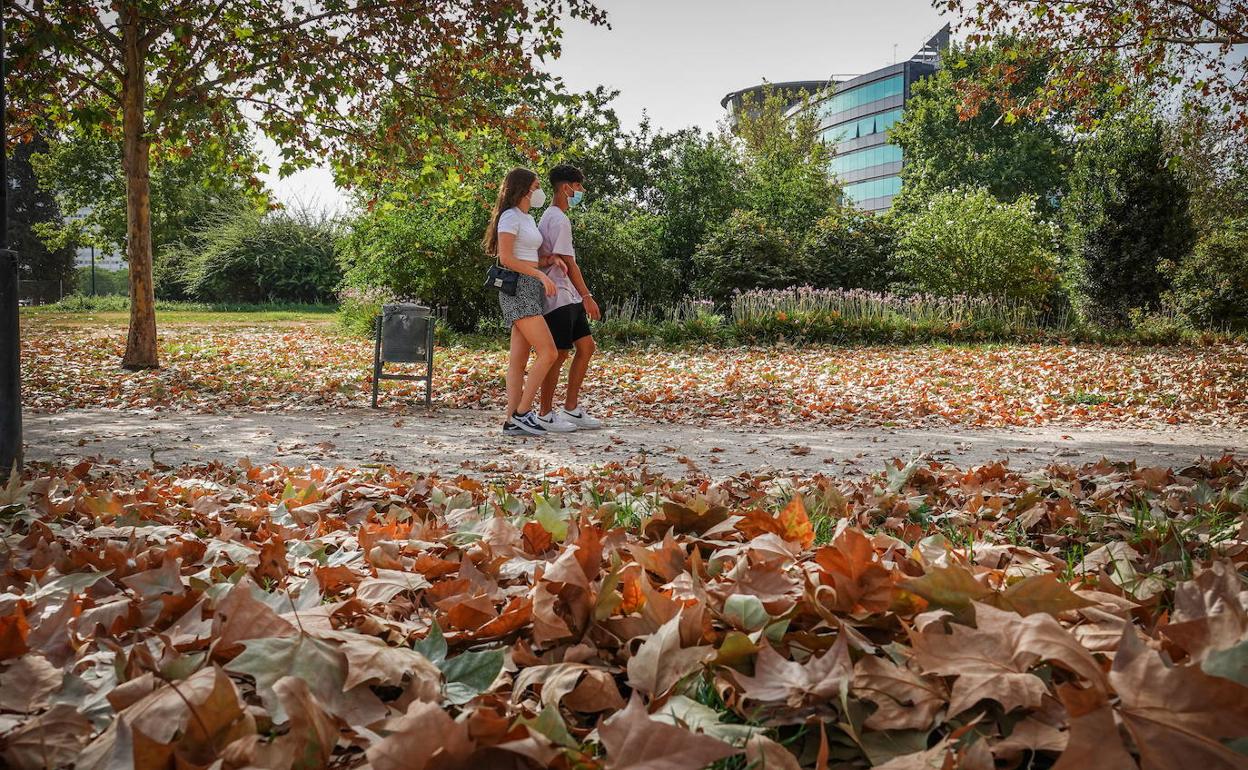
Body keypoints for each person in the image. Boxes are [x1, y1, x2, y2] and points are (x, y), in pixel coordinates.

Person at [482, 168, 559, 436]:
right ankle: (523, 413)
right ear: (524, 188)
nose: (540, 191)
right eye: (537, 186)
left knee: (518, 360)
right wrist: (538, 273)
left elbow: (526, 255)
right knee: (549, 352)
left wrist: (547, 262)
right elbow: (506, 258)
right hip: (518, 289)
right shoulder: (510, 217)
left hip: (530, 286)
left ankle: (511, 421)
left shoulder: (526, 218)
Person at [534, 164, 603, 431]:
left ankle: (572, 409)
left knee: (586, 347)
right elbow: (569, 263)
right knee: (559, 353)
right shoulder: (558, 219)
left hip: (568, 295)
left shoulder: (554, 216)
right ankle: (545, 413)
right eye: (579, 187)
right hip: (558, 296)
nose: (581, 192)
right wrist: (587, 296)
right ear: (566, 188)